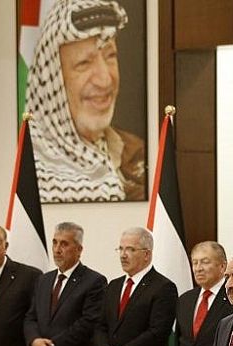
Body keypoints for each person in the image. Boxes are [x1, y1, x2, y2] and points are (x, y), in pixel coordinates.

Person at [26, 0, 146, 202]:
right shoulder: (34, 174)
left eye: (110, 56)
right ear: (53, 80)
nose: (105, 79)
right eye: (84, 63)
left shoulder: (136, 150)